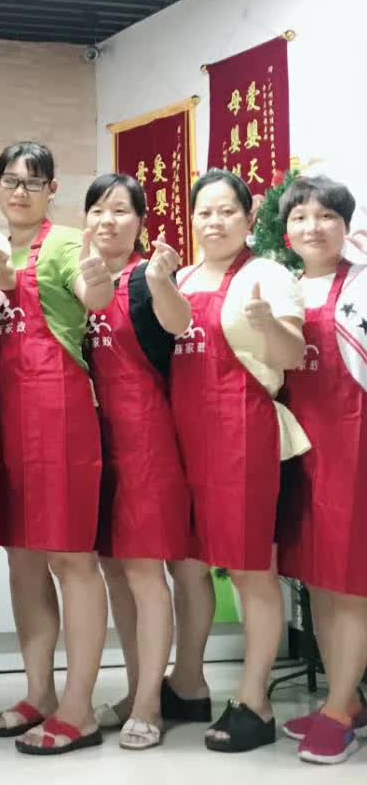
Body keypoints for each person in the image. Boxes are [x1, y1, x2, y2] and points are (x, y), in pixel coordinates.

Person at [0, 141, 115, 756]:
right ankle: (39, 692)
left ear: (52, 189)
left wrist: (97, 283)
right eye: (10, 181)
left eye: (32, 182)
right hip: (3, 416)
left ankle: (79, 708)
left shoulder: (64, 244)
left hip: (60, 413)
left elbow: (94, 296)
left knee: (71, 558)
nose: (20, 192)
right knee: (23, 559)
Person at [171, 169, 306, 754]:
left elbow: (292, 356)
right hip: (184, 436)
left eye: (227, 211)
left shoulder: (267, 275)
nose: (215, 221)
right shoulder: (179, 278)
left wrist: (265, 323)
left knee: (253, 569)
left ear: (249, 218)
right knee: (187, 565)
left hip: (242, 434)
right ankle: (187, 682)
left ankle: (255, 700)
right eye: (205, 211)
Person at [81, 173, 192, 751]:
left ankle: (151, 700)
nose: (107, 220)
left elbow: (180, 328)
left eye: (121, 210)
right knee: (115, 573)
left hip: (147, 442)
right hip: (94, 446)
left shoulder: (149, 281)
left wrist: (161, 280)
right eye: (97, 209)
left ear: (141, 222)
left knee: (146, 574)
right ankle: (133, 689)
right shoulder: (79, 284)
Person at [277, 175, 367, 764]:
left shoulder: (362, 285)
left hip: (354, 444)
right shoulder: (279, 286)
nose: (314, 227)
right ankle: (345, 699)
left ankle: (337, 712)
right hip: (299, 448)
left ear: (346, 224)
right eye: (301, 217)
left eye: (327, 216)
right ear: (286, 230)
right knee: (319, 579)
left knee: (351, 581)